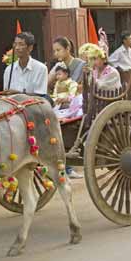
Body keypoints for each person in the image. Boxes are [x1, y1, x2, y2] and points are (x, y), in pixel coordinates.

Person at [48, 37, 85, 179]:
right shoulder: (59, 66)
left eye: (58, 50)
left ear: (67, 49)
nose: (56, 54)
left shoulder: (80, 65)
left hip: (75, 103)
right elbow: (49, 82)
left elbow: (81, 87)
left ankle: (67, 167)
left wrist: (69, 96)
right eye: (54, 51)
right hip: (60, 103)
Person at [3, 32, 48, 98]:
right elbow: (6, 94)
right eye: (15, 44)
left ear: (30, 48)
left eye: (21, 44)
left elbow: (40, 97)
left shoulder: (41, 69)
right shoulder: (9, 70)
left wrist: (19, 94)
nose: (17, 48)